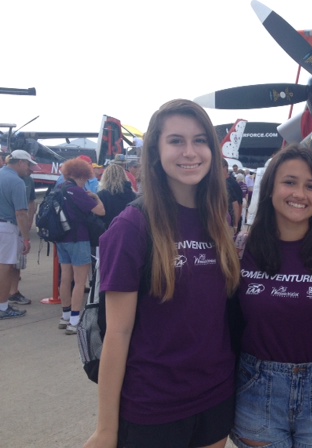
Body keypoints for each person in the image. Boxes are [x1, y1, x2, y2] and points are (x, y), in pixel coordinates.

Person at [84, 99, 241, 448]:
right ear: (155, 151)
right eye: (176, 141)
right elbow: (117, 334)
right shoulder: (131, 227)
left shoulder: (217, 220)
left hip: (215, 397)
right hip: (154, 405)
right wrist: (106, 428)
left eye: (200, 140)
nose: (190, 152)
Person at [231, 143, 312, 448]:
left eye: (311, 186)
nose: (300, 194)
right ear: (270, 188)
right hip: (257, 387)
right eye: (289, 182)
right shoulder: (240, 250)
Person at [56, 158, 105, 334]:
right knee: (80, 281)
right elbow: (100, 211)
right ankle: (75, 320)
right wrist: (97, 198)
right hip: (79, 238)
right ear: (82, 175)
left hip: (61, 239)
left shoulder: (59, 189)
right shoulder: (77, 192)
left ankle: (66, 315)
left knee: (65, 278)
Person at [0, 150, 37, 319]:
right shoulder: (17, 182)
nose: (29, 169)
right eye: (28, 165)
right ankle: (2, 306)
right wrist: (26, 238)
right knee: (5, 267)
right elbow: (21, 213)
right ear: (21, 163)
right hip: (6, 227)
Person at [223, 158, 243, 235]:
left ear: (225, 168)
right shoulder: (223, 183)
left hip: (230, 224)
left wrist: (235, 225)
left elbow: (238, 205)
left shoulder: (231, 184)